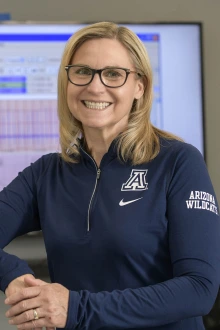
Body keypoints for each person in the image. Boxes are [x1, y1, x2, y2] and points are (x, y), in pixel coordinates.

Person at [0, 21, 219, 330]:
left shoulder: (178, 163)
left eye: (114, 74)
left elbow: (199, 289)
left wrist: (76, 309)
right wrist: (14, 277)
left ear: (139, 86)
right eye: (82, 71)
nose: (95, 86)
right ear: (67, 82)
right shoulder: (46, 174)